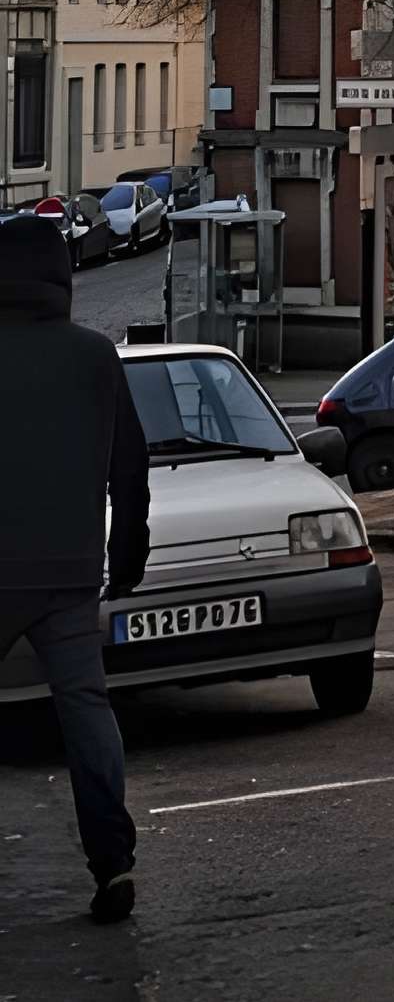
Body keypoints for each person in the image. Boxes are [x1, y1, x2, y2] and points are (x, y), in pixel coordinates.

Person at [0, 209, 150, 923]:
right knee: (87, 714)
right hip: (68, 570)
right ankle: (112, 862)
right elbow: (131, 466)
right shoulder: (95, 357)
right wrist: (128, 554)